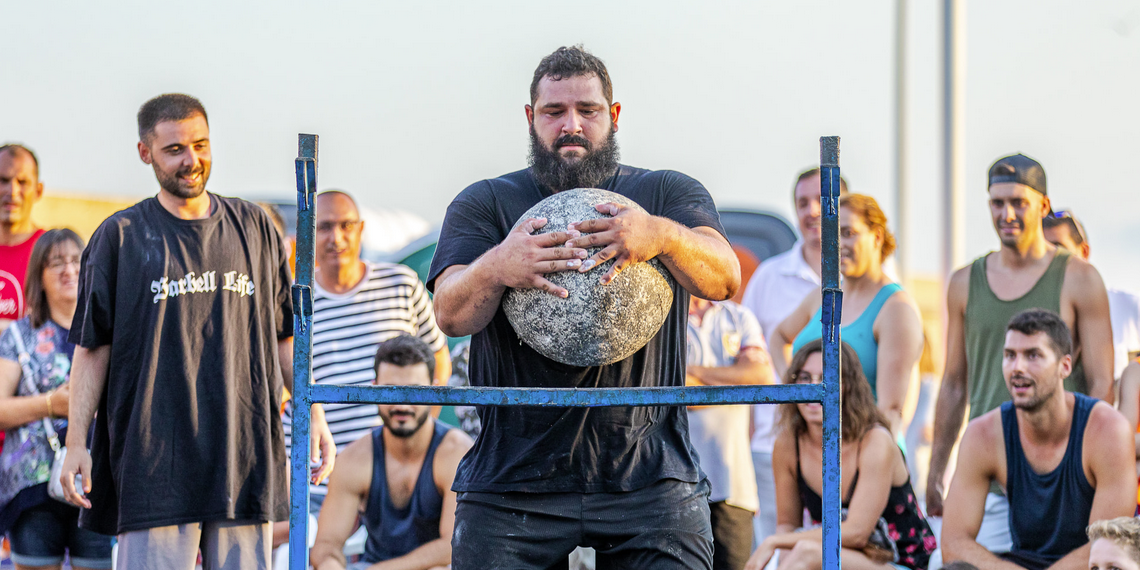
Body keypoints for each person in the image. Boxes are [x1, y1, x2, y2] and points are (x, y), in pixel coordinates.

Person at [428, 45, 740, 569]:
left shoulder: (664, 192)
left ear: (613, 116)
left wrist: (660, 234)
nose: (571, 126)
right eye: (554, 112)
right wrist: (499, 265)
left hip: (647, 472)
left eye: (587, 111)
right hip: (514, 478)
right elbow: (451, 314)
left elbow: (725, 278)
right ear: (531, 119)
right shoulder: (485, 201)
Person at [56, 93, 336, 570]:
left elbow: (285, 336)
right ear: (145, 152)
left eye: (201, 145)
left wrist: (316, 417)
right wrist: (77, 443)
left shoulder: (255, 228)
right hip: (153, 464)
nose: (192, 161)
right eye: (174, 150)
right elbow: (91, 349)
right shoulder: (119, 236)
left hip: (242, 457)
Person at [926, 154, 1115, 553]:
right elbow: (954, 383)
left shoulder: (1079, 278)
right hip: (990, 476)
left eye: (1018, 202)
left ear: (1043, 206)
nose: (1006, 213)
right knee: (950, 563)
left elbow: (1100, 381)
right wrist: (937, 469)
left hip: (1060, 481)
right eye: (997, 202)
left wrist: (1079, 466)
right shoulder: (964, 282)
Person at [281, 190, 449, 507]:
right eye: (325, 227)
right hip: (316, 480)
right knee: (315, 552)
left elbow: (438, 359)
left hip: (393, 476)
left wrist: (420, 433)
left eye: (346, 226)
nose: (337, 238)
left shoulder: (401, 283)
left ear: (361, 229)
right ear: (308, 235)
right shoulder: (291, 299)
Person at [940, 309, 1135, 570]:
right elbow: (953, 543)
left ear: (1064, 366)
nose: (1017, 367)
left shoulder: (1107, 430)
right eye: (1010, 355)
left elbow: (1110, 544)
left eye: (1033, 355)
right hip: (1020, 563)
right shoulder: (984, 435)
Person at [744, 339, 936, 570]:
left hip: (901, 563)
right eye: (805, 378)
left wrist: (774, 542)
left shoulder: (875, 441)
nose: (815, 388)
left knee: (808, 553)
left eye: (825, 378)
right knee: (801, 554)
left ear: (848, 386)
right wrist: (782, 554)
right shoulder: (788, 444)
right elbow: (787, 524)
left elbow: (856, 533)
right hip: (839, 560)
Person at [739, 168, 847, 548]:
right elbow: (746, 356)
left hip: (846, 444)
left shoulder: (870, 279)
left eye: (822, 200)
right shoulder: (768, 276)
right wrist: (796, 395)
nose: (812, 211)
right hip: (774, 442)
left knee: (835, 548)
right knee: (776, 545)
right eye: (802, 202)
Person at [0, 230, 113, 570]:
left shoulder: (110, 334)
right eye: (57, 262)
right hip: (33, 489)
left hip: (97, 485)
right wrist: (52, 404)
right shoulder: (18, 335)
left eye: (77, 261)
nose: (69, 270)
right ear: (39, 275)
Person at [310, 336, 472, 570]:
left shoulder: (455, 453)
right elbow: (326, 544)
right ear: (374, 389)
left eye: (415, 392)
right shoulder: (355, 459)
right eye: (391, 391)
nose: (402, 405)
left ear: (435, 389)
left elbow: (452, 547)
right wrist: (330, 564)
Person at [771, 193, 924, 435]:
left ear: (877, 237)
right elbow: (778, 335)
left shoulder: (895, 309)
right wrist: (795, 390)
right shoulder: (821, 297)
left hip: (863, 454)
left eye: (848, 233)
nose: (837, 243)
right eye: (832, 234)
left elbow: (891, 411)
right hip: (814, 451)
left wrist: (860, 461)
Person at [686, 296, 774, 570]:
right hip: (674, 484)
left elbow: (760, 376)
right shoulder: (658, 312)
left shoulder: (738, 316)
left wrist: (693, 373)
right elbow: (668, 386)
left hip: (734, 484)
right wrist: (733, 379)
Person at [1042, 209, 1140, 381]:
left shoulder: (1128, 308)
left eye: (1060, 251)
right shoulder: (1030, 314)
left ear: (1084, 252)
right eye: (1044, 252)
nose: (1051, 261)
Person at [0, 144, 46, 332]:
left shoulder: (51, 253)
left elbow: (56, 329)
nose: (12, 191)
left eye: (22, 182)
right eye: (3, 180)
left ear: (38, 190)